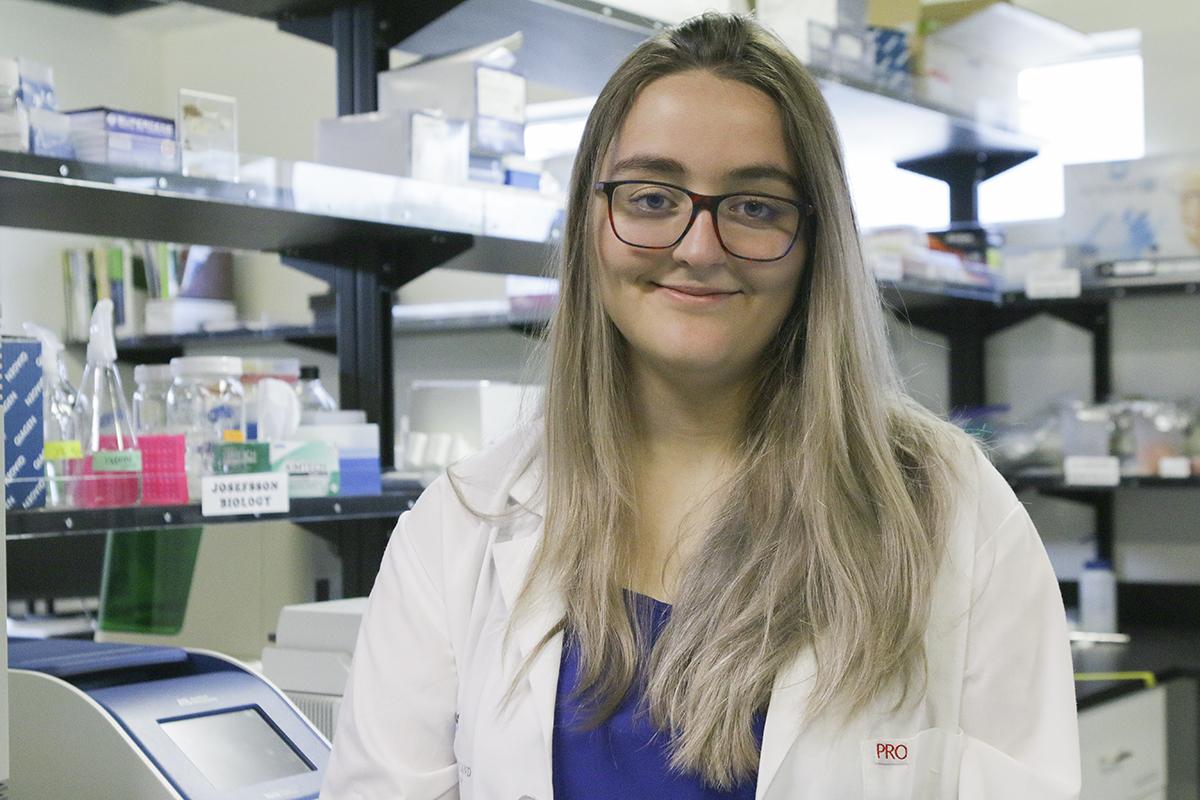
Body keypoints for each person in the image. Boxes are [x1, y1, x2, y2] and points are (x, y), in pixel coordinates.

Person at [321, 12, 1080, 800]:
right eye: (652, 197)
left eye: (755, 206)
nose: (698, 246)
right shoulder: (460, 528)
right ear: (591, 221)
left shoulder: (955, 513)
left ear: (816, 242)